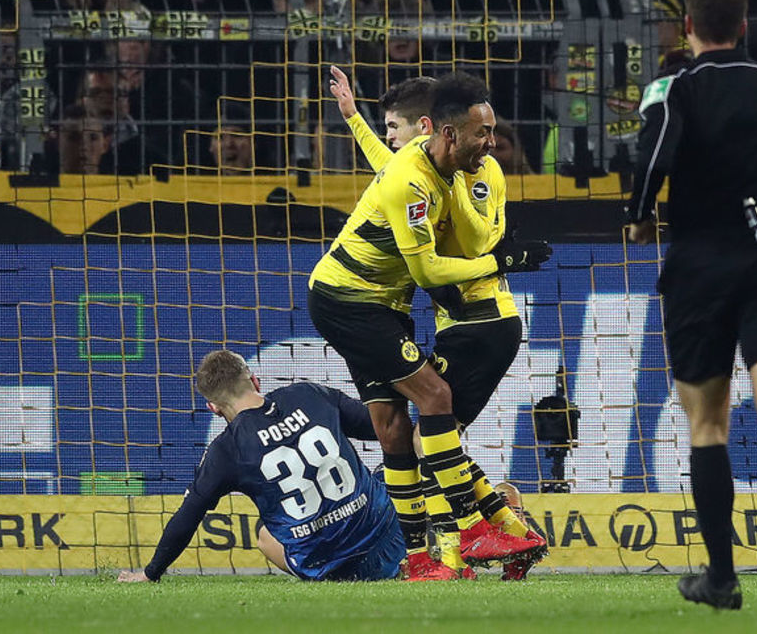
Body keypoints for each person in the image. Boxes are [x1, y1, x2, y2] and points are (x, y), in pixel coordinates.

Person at [626, 0, 757, 609]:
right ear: (743, 26)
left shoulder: (671, 86)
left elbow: (656, 149)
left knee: (708, 424)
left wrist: (639, 212)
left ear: (689, 27)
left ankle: (721, 577)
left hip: (698, 268)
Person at [307, 70, 552, 580]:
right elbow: (426, 272)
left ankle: (422, 559)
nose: (491, 143)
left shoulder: (446, 167)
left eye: (492, 132)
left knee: (397, 432)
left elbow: (386, 162)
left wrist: (352, 118)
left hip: (390, 307)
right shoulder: (412, 178)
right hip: (348, 302)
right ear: (444, 132)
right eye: (482, 133)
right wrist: (502, 260)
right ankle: (476, 529)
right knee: (434, 401)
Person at [117, 350, 405, 583]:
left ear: (213, 408)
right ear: (255, 381)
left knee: (266, 537)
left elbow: (187, 517)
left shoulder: (225, 451)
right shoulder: (308, 394)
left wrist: (151, 572)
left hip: (335, 570)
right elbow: (384, 429)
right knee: (390, 469)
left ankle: (328, 575)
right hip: (394, 538)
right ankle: (428, 539)